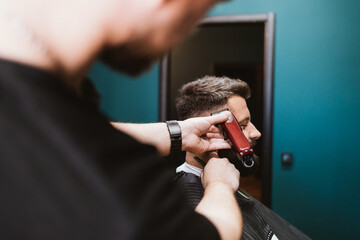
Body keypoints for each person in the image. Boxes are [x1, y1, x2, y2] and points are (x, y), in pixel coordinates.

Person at [0, 0, 243, 239]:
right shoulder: (121, 199)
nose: (187, 30)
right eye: (199, 11)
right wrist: (220, 184)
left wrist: (178, 133)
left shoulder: (31, 113)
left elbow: (66, 133)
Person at [175, 76, 311, 240]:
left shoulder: (223, 182)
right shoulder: (188, 203)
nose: (256, 133)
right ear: (208, 131)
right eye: (243, 125)